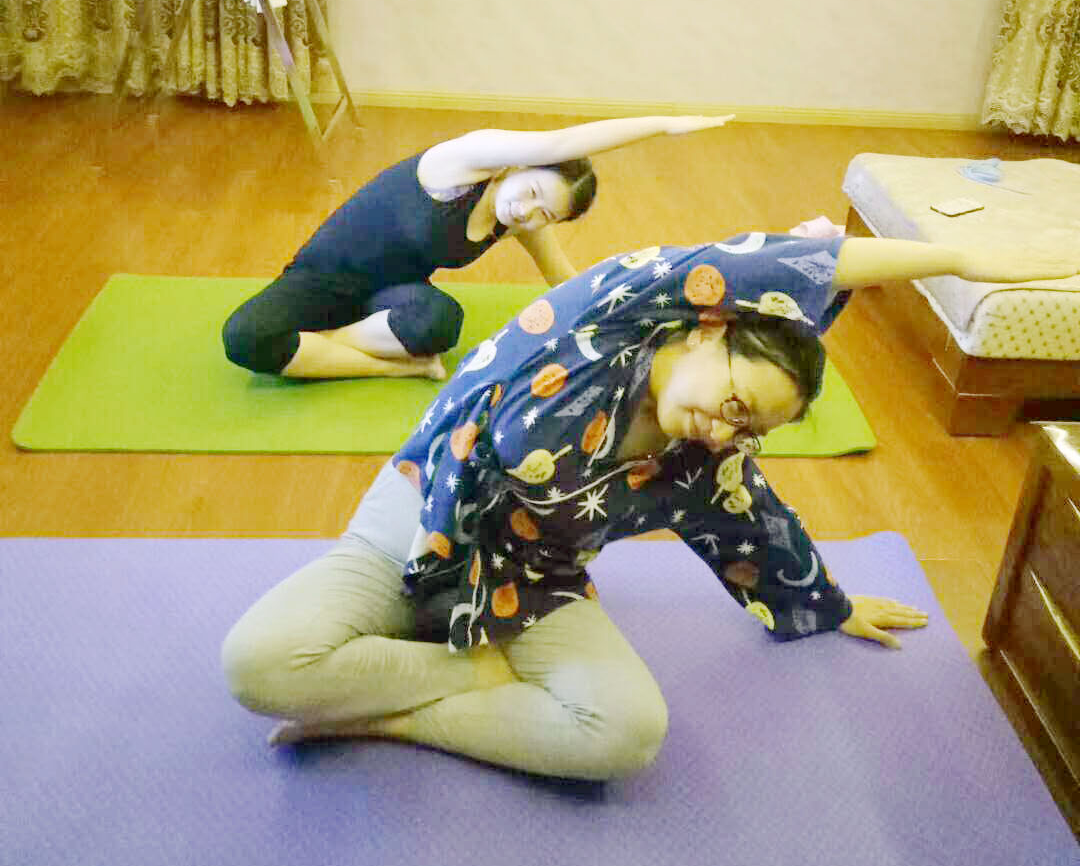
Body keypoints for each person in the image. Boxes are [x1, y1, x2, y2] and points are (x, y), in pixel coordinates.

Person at [222, 229, 1080, 781]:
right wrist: (956, 260)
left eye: (750, 431)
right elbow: (782, 263)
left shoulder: (702, 460)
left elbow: (759, 530)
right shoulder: (611, 318)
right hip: (410, 531)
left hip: (531, 584)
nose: (727, 429)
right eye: (737, 401)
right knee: (259, 665)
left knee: (627, 735)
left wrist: (833, 605)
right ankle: (472, 678)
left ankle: (400, 716)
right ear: (708, 328)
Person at [221, 114, 731, 381]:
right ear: (517, 166)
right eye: (532, 192)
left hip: (386, 300)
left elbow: (566, 281)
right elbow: (557, 145)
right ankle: (391, 365)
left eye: (546, 214)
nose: (528, 212)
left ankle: (321, 347)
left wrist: (644, 326)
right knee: (245, 338)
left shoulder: (516, 222)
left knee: (439, 322)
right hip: (321, 278)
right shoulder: (458, 164)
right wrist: (662, 125)